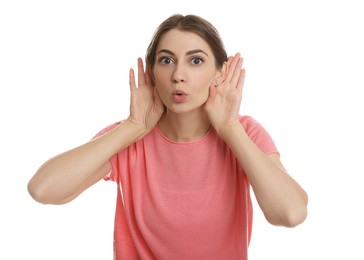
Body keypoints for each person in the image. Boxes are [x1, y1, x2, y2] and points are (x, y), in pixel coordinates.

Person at [28, 14, 308, 260]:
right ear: (152, 71)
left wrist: (230, 129)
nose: (178, 75)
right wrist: (133, 126)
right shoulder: (129, 137)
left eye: (195, 60)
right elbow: (43, 189)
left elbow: (290, 213)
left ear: (220, 73)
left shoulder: (245, 133)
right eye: (166, 60)